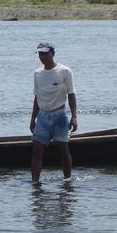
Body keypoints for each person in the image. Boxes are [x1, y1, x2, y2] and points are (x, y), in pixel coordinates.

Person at [29, 42, 77, 183]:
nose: (42, 56)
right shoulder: (37, 73)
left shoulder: (64, 71)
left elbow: (71, 95)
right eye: (40, 54)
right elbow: (37, 98)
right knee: (37, 151)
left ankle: (67, 180)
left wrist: (74, 117)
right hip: (43, 116)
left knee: (63, 149)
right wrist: (33, 119)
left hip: (60, 115)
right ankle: (35, 183)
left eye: (45, 53)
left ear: (52, 54)